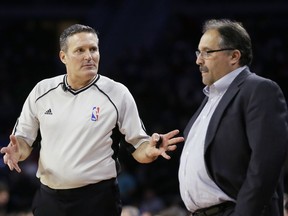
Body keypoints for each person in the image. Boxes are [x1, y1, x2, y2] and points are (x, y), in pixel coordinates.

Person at [0, 24, 184, 216]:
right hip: (50, 199)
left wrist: (151, 149)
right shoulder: (42, 91)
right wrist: (17, 150)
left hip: (98, 199)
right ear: (63, 57)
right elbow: (23, 141)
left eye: (93, 49)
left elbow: (139, 148)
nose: (89, 56)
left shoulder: (117, 93)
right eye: (80, 50)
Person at [178, 19, 288, 216]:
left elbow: (264, 166)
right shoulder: (210, 98)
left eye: (207, 52)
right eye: (198, 52)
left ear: (234, 56)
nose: (198, 60)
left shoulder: (259, 90)